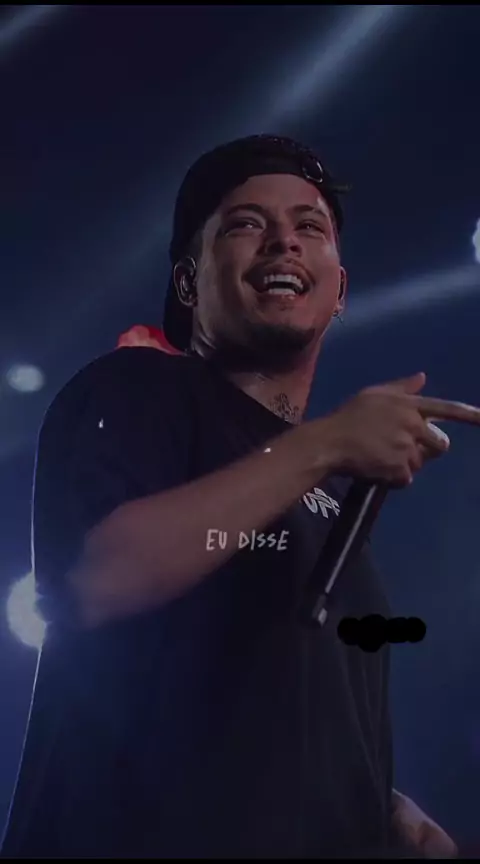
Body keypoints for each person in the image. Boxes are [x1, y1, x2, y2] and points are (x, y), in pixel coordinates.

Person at [2, 134, 475, 859]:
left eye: (309, 226)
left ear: (340, 290)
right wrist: (325, 444)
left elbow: (265, 706)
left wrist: (376, 803)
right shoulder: (137, 390)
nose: (284, 240)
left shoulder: (325, 485)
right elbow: (94, 582)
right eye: (245, 224)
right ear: (188, 283)